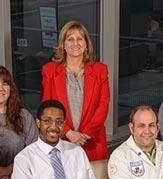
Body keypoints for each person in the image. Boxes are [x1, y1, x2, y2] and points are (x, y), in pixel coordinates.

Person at [41, 21, 111, 161]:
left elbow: (103, 106)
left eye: (80, 39)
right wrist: (68, 132)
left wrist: (85, 134)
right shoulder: (49, 70)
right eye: (70, 39)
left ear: (86, 44)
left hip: (92, 140)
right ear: (63, 44)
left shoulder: (100, 70)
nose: (75, 43)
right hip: (62, 140)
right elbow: (47, 107)